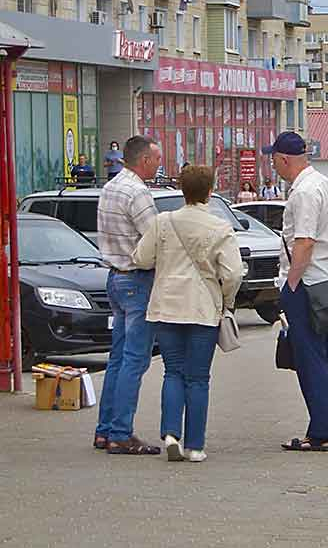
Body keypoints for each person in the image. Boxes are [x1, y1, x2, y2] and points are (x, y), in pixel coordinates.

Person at [132, 166, 243, 463]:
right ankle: (195, 446)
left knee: (173, 371)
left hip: (166, 306)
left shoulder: (163, 222)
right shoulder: (219, 228)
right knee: (198, 378)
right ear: (210, 191)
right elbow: (233, 274)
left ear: (182, 190)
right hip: (203, 309)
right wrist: (226, 301)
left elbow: (141, 258)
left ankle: (170, 434)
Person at [263, 132, 328, 451]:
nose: (272, 164)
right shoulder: (327, 183)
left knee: (310, 358)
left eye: (273, 158)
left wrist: (290, 284)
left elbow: (304, 242)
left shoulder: (303, 192)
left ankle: (321, 433)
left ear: (284, 159)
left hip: (307, 284)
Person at [94, 136, 163, 455]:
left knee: (118, 359)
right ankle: (121, 433)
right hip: (137, 279)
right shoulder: (138, 192)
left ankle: (105, 429)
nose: (159, 164)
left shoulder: (111, 186)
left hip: (114, 277)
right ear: (143, 160)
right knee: (135, 359)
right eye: (157, 159)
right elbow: (154, 238)